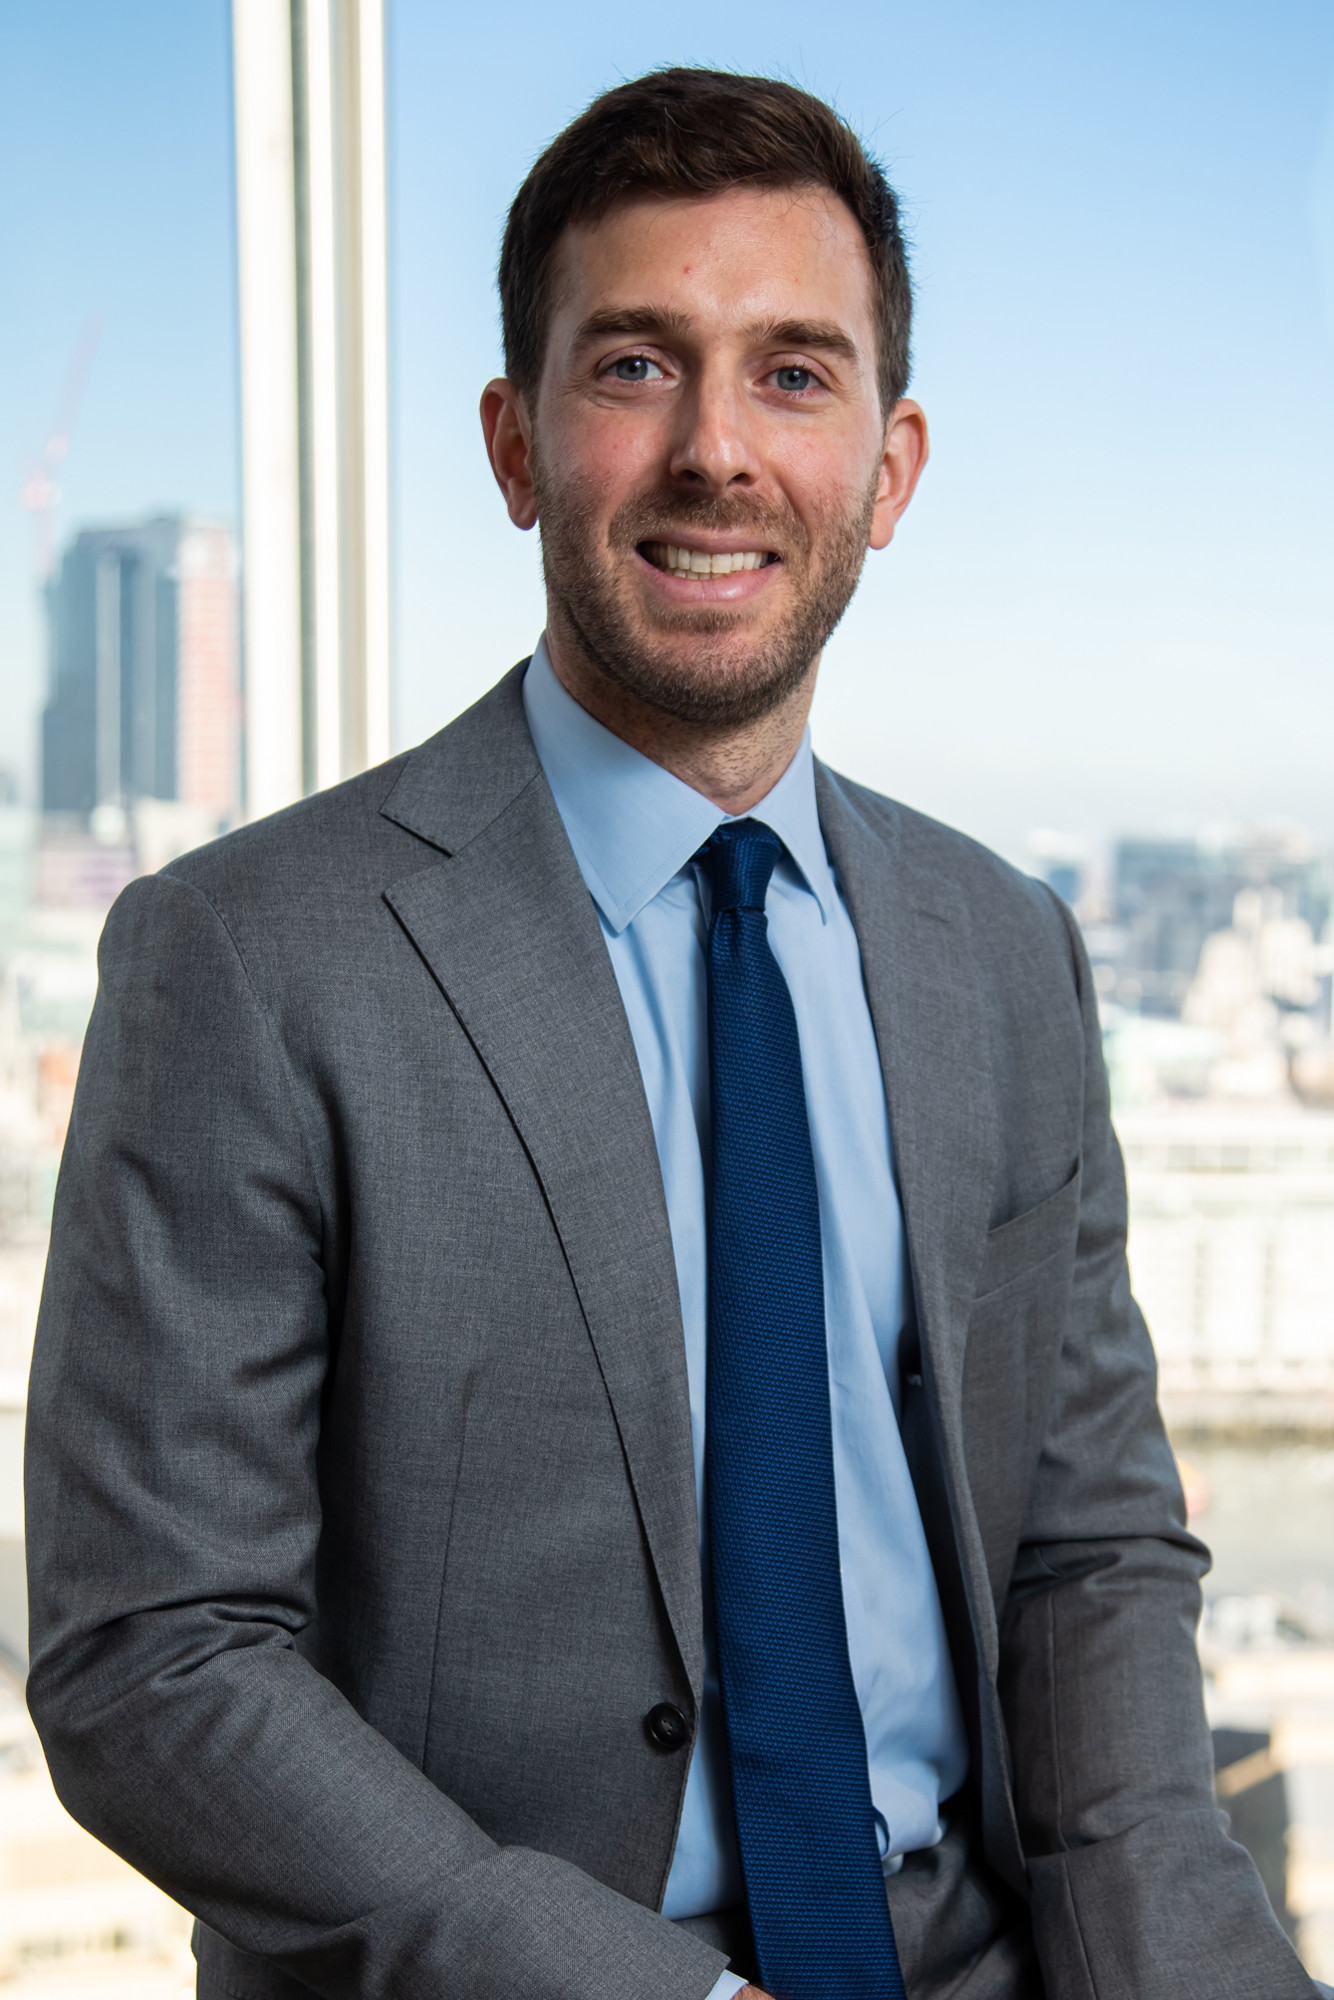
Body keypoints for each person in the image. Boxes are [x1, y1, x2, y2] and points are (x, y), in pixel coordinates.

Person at [24, 66, 1322, 2000]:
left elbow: (1088, 1558)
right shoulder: (248, 956)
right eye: (635, 365)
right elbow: (157, 1652)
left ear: (887, 469)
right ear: (516, 443)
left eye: (793, 374)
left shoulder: (1006, 954)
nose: (718, 449)